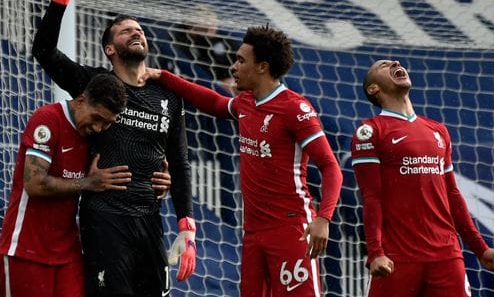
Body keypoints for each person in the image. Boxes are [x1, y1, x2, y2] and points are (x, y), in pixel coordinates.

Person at [31, 0, 195, 296]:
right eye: (125, 31)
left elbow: (179, 163)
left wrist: (186, 226)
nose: (136, 32)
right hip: (105, 219)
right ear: (109, 49)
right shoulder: (96, 86)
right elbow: (44, 51)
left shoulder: (168, 96)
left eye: (139, 29)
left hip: (150, 219)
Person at [143, 24, 344, 296]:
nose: (234, 67)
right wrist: (164, 77)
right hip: (252, 232)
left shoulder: (295, 108)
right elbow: (213, 102)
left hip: (291, 228)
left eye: (240, 60)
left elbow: (331, 167)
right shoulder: (245, 102)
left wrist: (324, 218)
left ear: (262, 67)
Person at [350, 59, 494, 296]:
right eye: (384, 66)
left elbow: (452, 194)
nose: (395, 62)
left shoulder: (438, 130)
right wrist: (375, 252)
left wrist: (480, 248)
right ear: (374, 89)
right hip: (397, 258)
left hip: (445, 255)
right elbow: (371, 197)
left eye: (394, 62)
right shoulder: (370, 131)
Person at [0, 73, 130, 297]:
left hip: (68, 254)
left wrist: (160, 177)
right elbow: (35, 183)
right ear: (80, 101)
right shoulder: (47, 119)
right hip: (26, 251)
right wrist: (88, 183)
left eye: (107, 123)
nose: (99, 128)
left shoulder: (94, 136)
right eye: (97, 118)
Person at [161, 3, 238, 96]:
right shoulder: (179, 44)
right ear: (190, 25)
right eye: (205, 27)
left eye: (213, 25)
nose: (211, 29)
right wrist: (219, 85)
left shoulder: (223, 39)